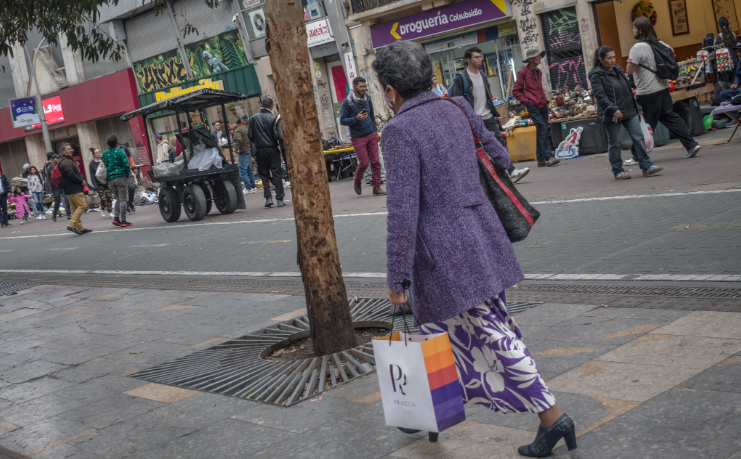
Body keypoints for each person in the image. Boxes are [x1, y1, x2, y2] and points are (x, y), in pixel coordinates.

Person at [374, 40, 576, 457]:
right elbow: (500, 156)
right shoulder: (458, 108)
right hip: (483, 237)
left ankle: (553, 417)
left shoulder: (398, 131)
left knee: (492, 336)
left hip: (443, 256)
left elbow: (403, 211)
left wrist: (397, 275)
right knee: (444, 334)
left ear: (390, 89)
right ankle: (428, 413)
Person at [627, 16, 701, 159]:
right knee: (671, 117)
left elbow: (630, 70)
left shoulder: (637, 48)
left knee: (645, 123)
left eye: (634, 28)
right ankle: (691, 144)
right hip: (663, 88)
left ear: (640, 30)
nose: (633, 30)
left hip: (647, 91)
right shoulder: (663, 45)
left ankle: (638, 156)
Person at [453, 47, 531, 182]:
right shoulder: (461, 78)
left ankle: (511, 171)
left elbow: (487, 96)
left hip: (487, 116)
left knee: (498, 143)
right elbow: (456, 100)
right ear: (468, 60)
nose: (479, 59)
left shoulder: (483, 75)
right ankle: (475, 179)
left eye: (480, 57)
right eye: (476, 57)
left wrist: (493, 111)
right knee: (471, 149)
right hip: (471, 119)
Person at [590, 46, 664, 180]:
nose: (612, 60)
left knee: (638, 136)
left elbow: (627, 90)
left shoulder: (618, 69)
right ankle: (618, 171)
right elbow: (601, 96)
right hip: (612, 113)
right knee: (615, 142)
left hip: (628, 110)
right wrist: (613, 109)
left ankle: (646, 166)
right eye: (609, 58)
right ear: (601, 59)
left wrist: (636, 105)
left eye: (614, 57)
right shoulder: (596, 75)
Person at [512, 48, 560, 169]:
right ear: (531, 59)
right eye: (537, 56)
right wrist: (527, 102)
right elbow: (516, 91)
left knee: (541, 130)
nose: (540, 58)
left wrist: (545, 100)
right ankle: (548, 157)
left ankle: (540, 159)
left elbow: (539, 88)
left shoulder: (538, 72)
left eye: (540, 56)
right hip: (532, 105)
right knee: (543, 128)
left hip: (542, 104)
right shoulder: (522, 72)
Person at [340, 77, 385, 196]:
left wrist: (375, 132)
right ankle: (357, 180)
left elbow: (371, 116)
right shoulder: (348, 102)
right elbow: (342, 120)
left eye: (365, 86)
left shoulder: (367, 99)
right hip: (358, 137)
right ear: (354, 87)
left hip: (371, 135)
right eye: (361, 86)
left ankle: (376, 187)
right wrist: (356, 118)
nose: (364, 88)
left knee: (376, 162)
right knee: (364, 163)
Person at [248, 97, 285, 208]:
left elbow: (250, 136)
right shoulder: (273, 118)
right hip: (272, 149)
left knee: (264, 174)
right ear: (272, 106)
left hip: (260, 150)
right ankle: (279, 198)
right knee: (277, 173)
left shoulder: (253, 119)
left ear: (261, 105)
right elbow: (276, 135)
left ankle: (268, 197)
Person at [59, 143, 93, 235]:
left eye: (71, 149)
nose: (71, 150)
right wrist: (81, 181)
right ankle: (71, 225)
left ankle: (80, 228)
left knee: (74, 209)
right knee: (82, 206)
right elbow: (70, 174)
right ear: (63, 151)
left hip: (69, 188)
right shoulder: (66, 161)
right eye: (68, 149)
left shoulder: (65, 160)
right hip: (74, 188)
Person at [102, 135, 132, 227]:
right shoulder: (120, 152)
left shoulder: (105, 153)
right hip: (121, 176)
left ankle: (116, 218)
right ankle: (123, 220)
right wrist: (127, 175)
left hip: (110, 178)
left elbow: (104, 165)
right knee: (123, 199)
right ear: (117, 142)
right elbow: (126, 165)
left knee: (118, 199)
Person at [719, 43, 741, 126]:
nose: (738, 54)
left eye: (740, 51)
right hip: (739, 89)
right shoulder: (740, 60)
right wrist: (735, 83)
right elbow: (738, 75)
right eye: (738, 52)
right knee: (723, 94)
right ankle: (737, 117)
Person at [233, 118, 256, 193]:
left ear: (235, 123)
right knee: (249, 169)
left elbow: (239, 140)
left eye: (232, 124)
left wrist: (237, 148)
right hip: (248, 150)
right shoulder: (244, 128)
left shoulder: (237, 130)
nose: (231, 125)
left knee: (243, 171)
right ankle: (253, 186)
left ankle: (248, 188)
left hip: (243, 152)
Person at [89, 148, 113, 219]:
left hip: (107, 182)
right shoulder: (92, 164)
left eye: (99, 152)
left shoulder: (103, 161)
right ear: (93, 155)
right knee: (103, 198)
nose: (99, 153)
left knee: (109, 197)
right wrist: (95, 186)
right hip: (99, 184)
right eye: (97, 152)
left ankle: (110, 212)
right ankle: (102, 209)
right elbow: (92, 176)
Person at [48, 154, 71, 222]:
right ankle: (54, 214)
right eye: (56, 158)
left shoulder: (61, 165)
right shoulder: (49, 167)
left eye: (58, 158)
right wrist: (49, 189)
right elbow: (48, 180)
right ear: (52, 159)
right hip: (55, 187)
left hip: (63, 185)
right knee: (57, 202)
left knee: (66, 199)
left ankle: (69, 214)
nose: (57, 159)